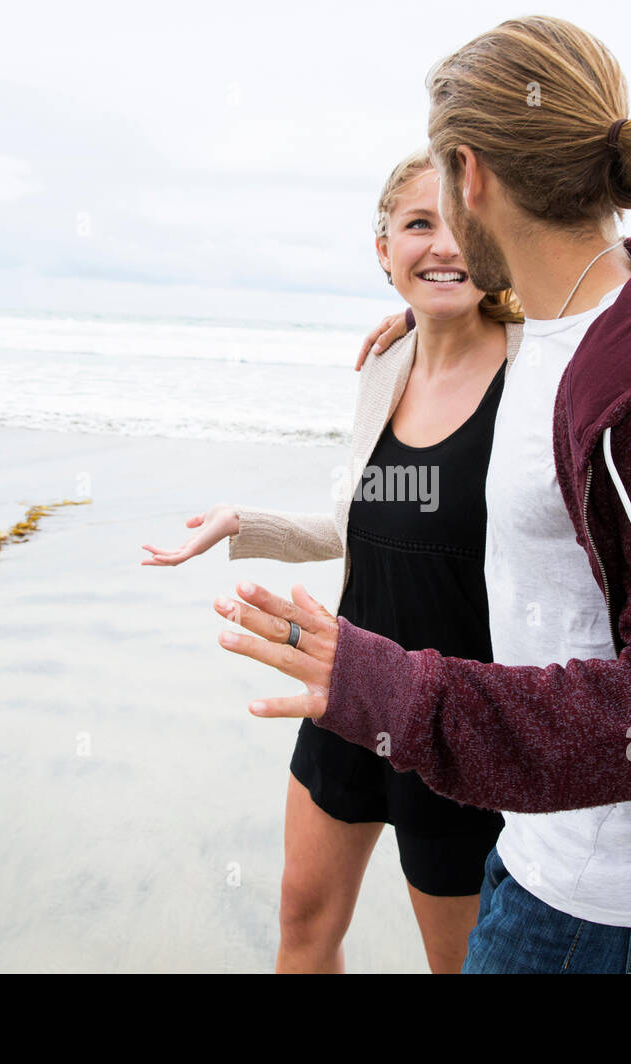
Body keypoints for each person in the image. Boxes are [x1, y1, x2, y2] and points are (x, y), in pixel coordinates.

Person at [212, 15, 631, 974]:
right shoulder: (552, 333)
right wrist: (418, 327)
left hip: (609, 922)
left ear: (473, 173)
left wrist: (400, 689)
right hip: (530, 862)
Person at [143, 148, 523, 973]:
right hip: (345, 690)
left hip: (454, 719)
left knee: (458, 962)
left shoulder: (539, 370)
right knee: (301, 927)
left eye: (463, 225)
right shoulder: (386, 364)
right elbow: (371, 522)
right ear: (383, 250)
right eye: (419, 225)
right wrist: (241, 521)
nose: (443, 246)